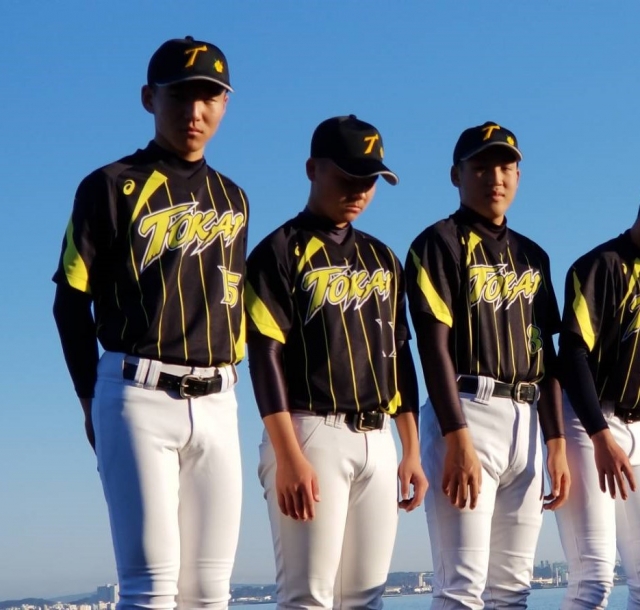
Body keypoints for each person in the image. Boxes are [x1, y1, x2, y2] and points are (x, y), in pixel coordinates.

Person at [52, 36, 248, 610]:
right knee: (149, 590)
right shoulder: (109, 185)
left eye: (209, 97)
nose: (195, 111)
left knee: (210, 593)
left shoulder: (234, 199)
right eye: (179, 96)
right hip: (137, 394)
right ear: (148, 98)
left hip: (219, 399)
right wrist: (90, 402)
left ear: (226, 103)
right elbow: (70, 301)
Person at [245, 114, 428, 610]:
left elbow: (400, 354)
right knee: (308, 598)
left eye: (370, 179)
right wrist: (287, 455)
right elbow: (263, 355)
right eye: (347, 175)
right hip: (309, 432)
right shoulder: (278, 251)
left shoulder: (384, 258)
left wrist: (411, 449)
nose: (359, 190)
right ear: (313, 169)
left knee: (366, 600)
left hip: (379, 437)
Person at [405, 121, 570, 609]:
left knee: (513, 590)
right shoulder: (437, 244)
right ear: (456, 175)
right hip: (466, 410)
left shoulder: (533, 256)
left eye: (505, 167)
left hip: (527, 420)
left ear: (518, 175)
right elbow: (432, 349)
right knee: (462, 588)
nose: (495, 178)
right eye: (480, 167)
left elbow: (545, 354)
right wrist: (457, 438)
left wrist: (557, 442)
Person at [555, 212, 640, 609]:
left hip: (636, 422)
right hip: (588, 419)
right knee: (593, 577)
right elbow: (572, 355)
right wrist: (599, 436)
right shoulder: (601, 265)